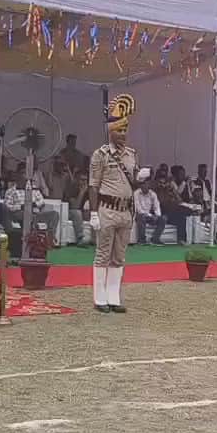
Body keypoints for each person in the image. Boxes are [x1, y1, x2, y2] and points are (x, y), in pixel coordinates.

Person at [89, 94, 139, 313]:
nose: (123, 134)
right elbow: (93, 185)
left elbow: (133, 183)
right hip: (107, 209)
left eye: (126, 130)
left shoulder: (131, 155)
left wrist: (143, 178)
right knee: (103, 253)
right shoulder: (100, 155)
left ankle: (114, 296)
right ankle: (100, 297)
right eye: (119, 130)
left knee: (119, 255)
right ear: (111, 132)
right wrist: (92, 213)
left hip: (125, 210)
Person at [133, 168, 165, 245]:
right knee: (142, 216)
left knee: (163, 218)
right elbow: (138, 209)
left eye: (148, 184)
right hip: (139, 215)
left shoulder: (152, 194)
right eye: (144, 184)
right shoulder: (136, 193)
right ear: (141, 185)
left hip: (150, 216)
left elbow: (157, 206)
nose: (146, 186)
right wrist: (150, 215)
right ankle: (142, 240)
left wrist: (157, 216)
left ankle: (155, 239)